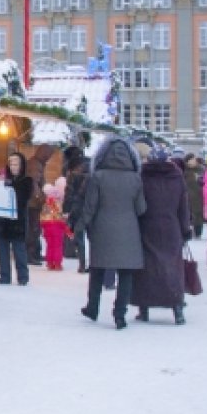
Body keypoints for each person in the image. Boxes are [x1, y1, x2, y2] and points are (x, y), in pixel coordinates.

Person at [72, 136, 146, 330]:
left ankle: (92, 307)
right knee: (126, 274)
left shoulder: (98, 176)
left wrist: (79, 226)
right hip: (129, 231)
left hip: (102, 230)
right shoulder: (135, 178)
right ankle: (120, 314)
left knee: (97, 269)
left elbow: (90, 207)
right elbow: (141, 208)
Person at [131, 147, 193, 325]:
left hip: (146, 226)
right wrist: (185, 229)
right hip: (171, 227)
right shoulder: (177, 177)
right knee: (172, 266)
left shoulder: (141, 177)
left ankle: (144, 308)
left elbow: (137, 205)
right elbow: (183, 206)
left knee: (146, 268)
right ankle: (177, 307)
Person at [0, 152, 33, 285]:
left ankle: (23, 276)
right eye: (11, 164)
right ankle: (4, 276)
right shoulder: (2, 180)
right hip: (2, 220)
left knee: (19, 250)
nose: (13, 167)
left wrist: (10, 186)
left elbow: (23, 198)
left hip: (17, 221)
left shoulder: (26, 180)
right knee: (2, 250)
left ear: (22, 165)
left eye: (16, 164)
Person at [24, 146, 55, 265]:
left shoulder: (36, 163)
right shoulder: (35, 165)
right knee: (33, 228)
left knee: (35, 228)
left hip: (32, 202)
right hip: (32, 203)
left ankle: (35, 253)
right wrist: (40, 197)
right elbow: (34, 182)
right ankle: (30, 254)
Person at [61, 147, 89, 272]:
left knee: (79, 236)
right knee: (93, 237)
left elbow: (69, 192)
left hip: (78, 207)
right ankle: (94, 264)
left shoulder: (73, 172)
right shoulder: (93, 167)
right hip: (92, 206)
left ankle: (82, 264)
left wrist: (66, 209)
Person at [40, 181, 67, 271]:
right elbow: (60, 216)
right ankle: (57, 263)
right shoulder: (58, 204)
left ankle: (50, 263)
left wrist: (43, 226)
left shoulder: (46, 204)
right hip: (56, 227)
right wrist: (65, 226)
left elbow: (42, 217)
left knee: (50, 245)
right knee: (57, 246)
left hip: (47, 227)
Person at [183, 153, 206, 240]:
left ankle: (198, 232)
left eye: (194, 159)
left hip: (199, 196)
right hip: (187, 195)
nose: (192, 161)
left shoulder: (201, 169)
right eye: (190, 159)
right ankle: (187, 231)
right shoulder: (184, 170)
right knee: (187, 214)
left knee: (198, 214)